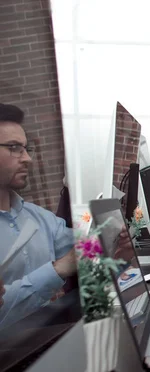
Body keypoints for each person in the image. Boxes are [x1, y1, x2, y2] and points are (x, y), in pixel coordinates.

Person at [0, 103, 76, 330]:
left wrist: (115, 245)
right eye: (14, 148)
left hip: (49, 340)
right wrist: (57, 271)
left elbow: (83, 253)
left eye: (25, 148)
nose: (27, 159)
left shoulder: (39, 218)